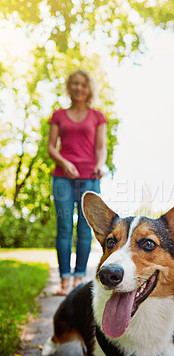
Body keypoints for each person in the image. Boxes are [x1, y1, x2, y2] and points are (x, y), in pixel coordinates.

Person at [48, 70, 107, 295]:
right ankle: (65, 281)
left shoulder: (97, 116)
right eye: (74, 84)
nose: (78, 88)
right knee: (64, 227)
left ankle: (79, 279)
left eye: (82, 84)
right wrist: (64, 163)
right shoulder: (58, 115)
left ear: (88, 88)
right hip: (63, 178)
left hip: (90, 178)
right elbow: (51, 147)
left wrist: (100, 164)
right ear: (69, 87)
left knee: (84, 229)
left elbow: (101, 147)